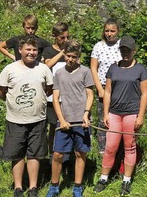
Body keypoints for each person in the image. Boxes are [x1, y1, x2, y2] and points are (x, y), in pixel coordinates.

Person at [0, 36, 54, 197]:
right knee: (17, 153)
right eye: (28, 49)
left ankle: (33, 187)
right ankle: (18, 187)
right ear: (20, 50)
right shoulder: (10, 69)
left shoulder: (43, 69)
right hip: (15, 119)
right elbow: (0, 91)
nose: (31, 52)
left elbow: (48, 89)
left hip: (38, 119)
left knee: (34, 154)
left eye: (34, 50)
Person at [94, 36, 147, 196]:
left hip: (132, 113)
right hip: (114, 113)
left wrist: (141, 116)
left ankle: (126, 180)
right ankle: (104, 177)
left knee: (129, 147)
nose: (125, 53)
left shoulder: (140, 69)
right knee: (110, 146)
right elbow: (108, 91)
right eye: (123, 49)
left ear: (134, 50)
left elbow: (144, 94)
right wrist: (105, 113)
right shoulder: (113, 68)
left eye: (128, 50)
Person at [46, 40, 94, 197]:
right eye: (68, 56)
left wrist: (86, 114)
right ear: (64, 55)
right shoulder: (59, 73)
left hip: (81, 121)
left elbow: (90, 94)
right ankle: (54, 185)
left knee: (80, 153)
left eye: (74, 57)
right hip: (64, 120)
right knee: (58, 154)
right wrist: (61, 119)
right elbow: (55, 98)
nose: (70, 59)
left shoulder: (85, 72)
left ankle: (77, 186)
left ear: (78, 56)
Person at [90, 19, 122, 154]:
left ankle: (119, 149)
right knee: (103, 119)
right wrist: (99, 89)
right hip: (103, 86)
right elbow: (93, 68)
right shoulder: (98, 46)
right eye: (107, 31)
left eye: (112, 31)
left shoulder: (122, 45)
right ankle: (102, 151)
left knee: (119, 118)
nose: (109, 34)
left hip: (119, 86)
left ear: (117, 31)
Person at [42, 22, 70, 157]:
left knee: (67, 124)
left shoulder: (70, 50)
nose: (65, 40)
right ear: (55, 37)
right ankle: (52, 155)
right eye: (62, 38)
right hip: (52, 95)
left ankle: (65, 157)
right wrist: (63, 52)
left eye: (67, 37)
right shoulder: (48, 50)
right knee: (53, 126)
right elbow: (48, 64)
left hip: (68, 95)